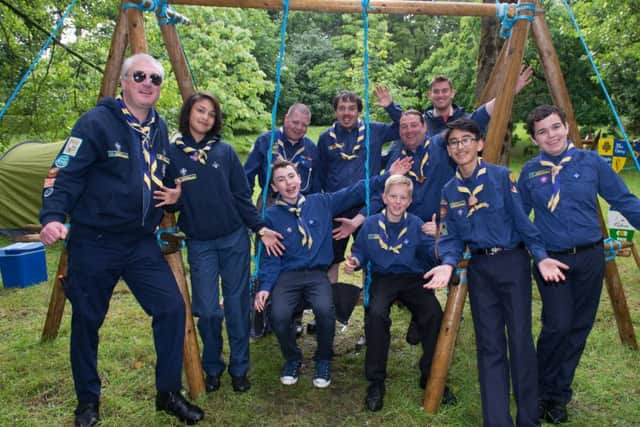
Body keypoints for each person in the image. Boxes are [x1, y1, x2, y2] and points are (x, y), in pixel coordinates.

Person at [39, 53, 204, 426]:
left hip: (140, 243)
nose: (148, 83)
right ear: (124, 82)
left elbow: (167, 173)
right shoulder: (96, 123)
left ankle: (167, 393)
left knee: (172, 309)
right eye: (140, 76)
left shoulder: (160, 129)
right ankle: (87, 400)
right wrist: (51, 216)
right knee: (87, 320)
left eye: (156, 79)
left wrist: (177, 192)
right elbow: (63, 173)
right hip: (94, 242)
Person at [423, 118, 568, 427]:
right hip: (480, 270)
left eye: (466, 140)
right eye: (453, 142)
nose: (460, 146)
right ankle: (497, 420)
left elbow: (522, 221)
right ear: (449, 151)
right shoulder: (450, 190)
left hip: (512, 264)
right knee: (489, 346)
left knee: (519, 341)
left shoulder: (502, 177)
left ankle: (528, 419)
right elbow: (450, 237)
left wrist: (540, 256)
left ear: (479, 144)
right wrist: (448, 263)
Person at [518, 105, 640, 424]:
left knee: (578, 328)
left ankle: (559, 396)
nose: (551, 135)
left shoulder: (591, 163)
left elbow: (623, 200)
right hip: (552, 260)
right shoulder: (530, 171)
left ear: (567, 126)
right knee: (557, 324)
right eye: (542, 131)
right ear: (533, 138)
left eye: (555, 127)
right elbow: (519, 217)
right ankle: (539, 391)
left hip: (590, 256)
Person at [254, 158, 409, 388]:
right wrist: (265, 287)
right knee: (279, 315)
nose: (288, 183)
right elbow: (269, 257)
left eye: (291, 176)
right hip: (288, 275)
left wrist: (387, 176)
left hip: (317, 274)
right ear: (274, 188)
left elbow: (355, 191)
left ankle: (323, 359)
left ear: (299, 179)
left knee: (326, 311)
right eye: (280, 180)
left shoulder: (322, 202)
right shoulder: (271, 217)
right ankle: (292, 358)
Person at [167, 91, 284, 395]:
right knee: (206, 309)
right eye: (200, 111)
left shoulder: (225, 152)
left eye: (210, 113)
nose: (205, 117)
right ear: (188, 113)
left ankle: (240, 368)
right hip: (200, 244)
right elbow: (168, 200)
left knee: (236, 306)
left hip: (233, 240)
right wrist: (171, 203)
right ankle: (212, 365)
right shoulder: (172, 153)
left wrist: (260, 228)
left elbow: (242, 197)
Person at [344, 175, 455, 412]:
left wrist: (437, 240)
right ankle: (376, 381)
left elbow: (429, 255)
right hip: (384, 278)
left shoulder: (417, 224)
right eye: (393, 196)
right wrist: (355, 260)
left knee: (433, 313)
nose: (397, 202)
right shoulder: (371, 224)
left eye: (402, 198)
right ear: (384, 198)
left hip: (413, 278)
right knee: (375, 314)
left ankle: (430, 375)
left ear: (409, 201)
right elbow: (360, 250)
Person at [317, 87, 403, 285]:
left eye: (351, 108)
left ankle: (370, 305)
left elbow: (405, 126)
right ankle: (330, 307)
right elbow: (321, 173)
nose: (347, 113)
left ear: (359, 111)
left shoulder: (375, 131)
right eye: (342, 108)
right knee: (331, 258)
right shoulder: (325, 138)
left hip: (368, 206)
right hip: (337, 207)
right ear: (335, 111)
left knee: (370, 256)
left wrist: (390, 106)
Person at [423, 67, 533, 137]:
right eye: (436, 91)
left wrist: (510, 91)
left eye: (445, 91)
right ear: (430, 95)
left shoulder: (467, 120)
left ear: (453, 93)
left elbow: (486, 111)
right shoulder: (420, 123)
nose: (440, 95)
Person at [244, 103, 320, 204]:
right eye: (295, 122)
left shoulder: (311, 148)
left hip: (301, 203)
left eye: (304, 125)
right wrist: (245, 205)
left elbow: (316, 185)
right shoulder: (266, 141)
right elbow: (247, 176)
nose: (299, 128)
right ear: (286, 119)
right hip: (270, 202)